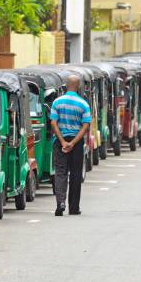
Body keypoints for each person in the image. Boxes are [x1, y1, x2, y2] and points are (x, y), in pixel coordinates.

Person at [50, 75, 91, 217]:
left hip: (60, 141)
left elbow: (53, 123)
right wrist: (73, 143)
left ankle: (60, 203)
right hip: (77, 143)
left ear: (66, 86)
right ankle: (74, 208)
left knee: (60, 172)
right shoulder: (83, 104)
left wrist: (62, 141)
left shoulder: (57, 102)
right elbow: (85, 126)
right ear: (78, 86)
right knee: (75, 174)